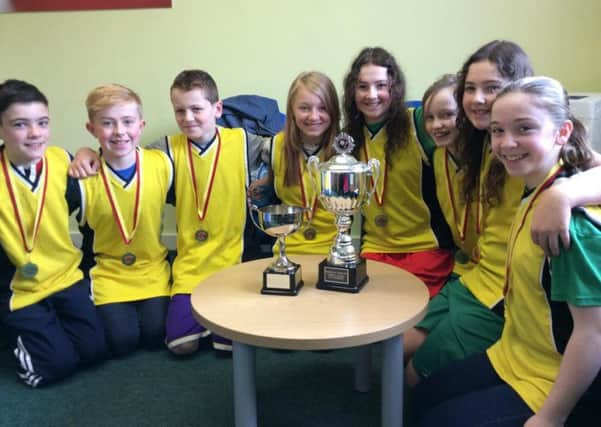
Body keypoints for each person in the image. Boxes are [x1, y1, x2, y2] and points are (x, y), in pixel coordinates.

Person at [404, 40, 601, 387]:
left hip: (503, 292)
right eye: (470, 89)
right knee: (398, 347)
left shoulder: (531, 150)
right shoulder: (479, 140)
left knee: (411, 377)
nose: (478, 98)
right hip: (473, 277)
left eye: (491, 88)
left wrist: (562, 194)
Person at [70, 70, 267, 355]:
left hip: (232, 261)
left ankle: (221, 319)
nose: (188, 118)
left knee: (228, 348)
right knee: (180, 346)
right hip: (189, 266)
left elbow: (285, 148)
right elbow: (124, 154)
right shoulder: (165, 151)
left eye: (196, 109)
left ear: (218, 109)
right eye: (180, 111)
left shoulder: (245, 142)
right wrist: (85, 152)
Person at [0, 79, 107, 387]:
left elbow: (93, 198)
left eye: (42, 123)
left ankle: (49, 327)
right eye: (20, 124)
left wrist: (88, 151)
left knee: (95, 352)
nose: (35, 133)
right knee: (54, 368)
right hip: (20, 289)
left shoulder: (61, 160)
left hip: (66, 276)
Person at [342, 46, 454, 298]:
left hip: (425, 249)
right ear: (352, 91)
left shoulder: (419, 124)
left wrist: (564, 187)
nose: (372, 95)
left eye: (381, 85)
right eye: (362, 87)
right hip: (374, 251)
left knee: (405, 326)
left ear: (394, 88)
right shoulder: (349, 138)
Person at [78, 84, 172, 357]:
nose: (119, 131)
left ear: (141, 125)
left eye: (127, 122)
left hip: (152, 268)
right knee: (122, 342)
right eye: (107, 123)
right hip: (110, 273)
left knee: (156, 335)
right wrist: (84, 152)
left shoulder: (162, 164)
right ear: (92, 129)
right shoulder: (83, 176)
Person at [254, 71, 339, 255]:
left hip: (334, 251)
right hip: (288, 251)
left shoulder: (345, 150)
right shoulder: (273, 147)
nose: (313, 116)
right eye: (304, 108)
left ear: (334, 110)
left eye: (323, 108)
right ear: (291, 109)